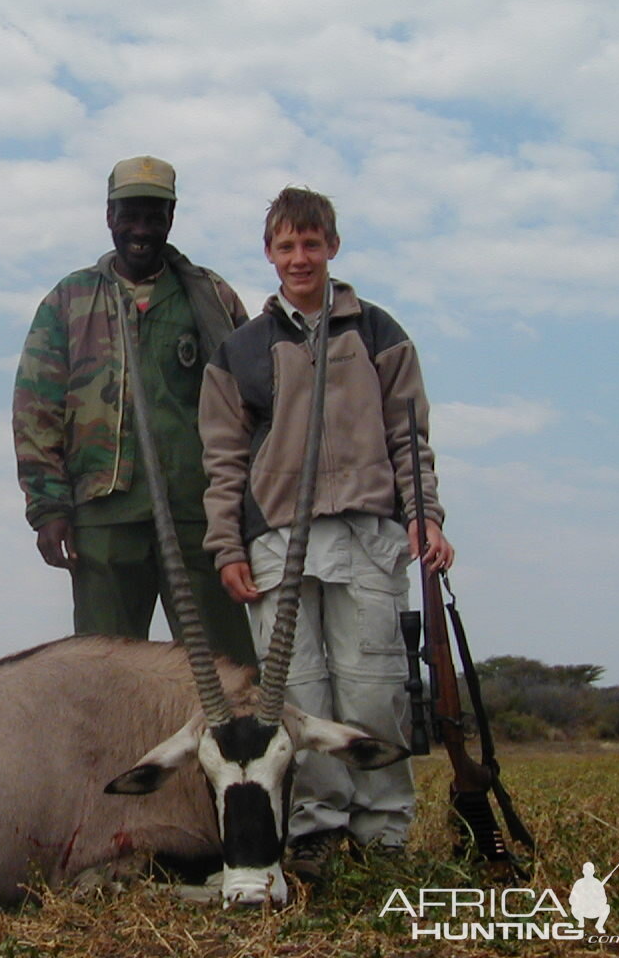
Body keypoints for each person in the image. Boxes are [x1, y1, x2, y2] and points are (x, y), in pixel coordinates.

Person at [200, 185, 454, 881]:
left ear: (332, 247)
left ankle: (384, 833)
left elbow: (411, 436)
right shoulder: (242, 350)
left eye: (312, 244)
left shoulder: (377, 331)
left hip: (368, 535)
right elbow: (222, 459)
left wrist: (424, 513)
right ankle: (314, 830)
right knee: (300, 701)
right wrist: (227, 545)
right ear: (270, 254)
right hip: (278, 543)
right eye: (287, 246)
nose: (300, 257)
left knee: (374, 689)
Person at [13, 156, 254, 664]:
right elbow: (37, 409)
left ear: (171, 217)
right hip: (103, 518)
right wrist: (48, 509)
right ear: (109, 216)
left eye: (154, 216)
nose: (141, 230)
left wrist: (244, 512)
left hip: (198, 517)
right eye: (130, 215)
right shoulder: (69, 300)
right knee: (103, 676)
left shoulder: (210, 296)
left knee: (224, 671)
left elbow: (249, 406)